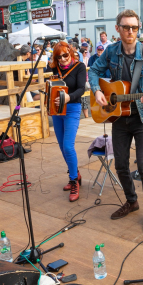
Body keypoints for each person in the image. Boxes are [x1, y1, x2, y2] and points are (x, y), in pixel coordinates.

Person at [89, 9, 143, 232]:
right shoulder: (111, 52)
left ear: (138, 30)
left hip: (142, 116)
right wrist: (97, 91)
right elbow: (93, 71)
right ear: (117, 29)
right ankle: (131, 201)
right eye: (126, 27)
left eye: (134, 28)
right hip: (119, 116)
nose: (130, 31)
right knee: (120, 163)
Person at [50, 42, 86, 201]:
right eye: (59, 57)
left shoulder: (79, 66)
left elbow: (81, 89)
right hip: (57, 110)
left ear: (70, 53)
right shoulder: (54, 68)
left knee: (68, 146)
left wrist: (69, 97)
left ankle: (74, 182)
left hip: (72, 108)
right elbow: (54, 87)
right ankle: (75, 174)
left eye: (65, 55)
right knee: (62, 147)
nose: (63, 59)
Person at [80, 47, 90, 119]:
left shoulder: (87, 59)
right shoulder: (81, 61)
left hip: (84, 79)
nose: (86, 53)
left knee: (84, 99)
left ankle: (86, 116)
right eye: (85, 52)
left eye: (87, 52)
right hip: (81, 80)